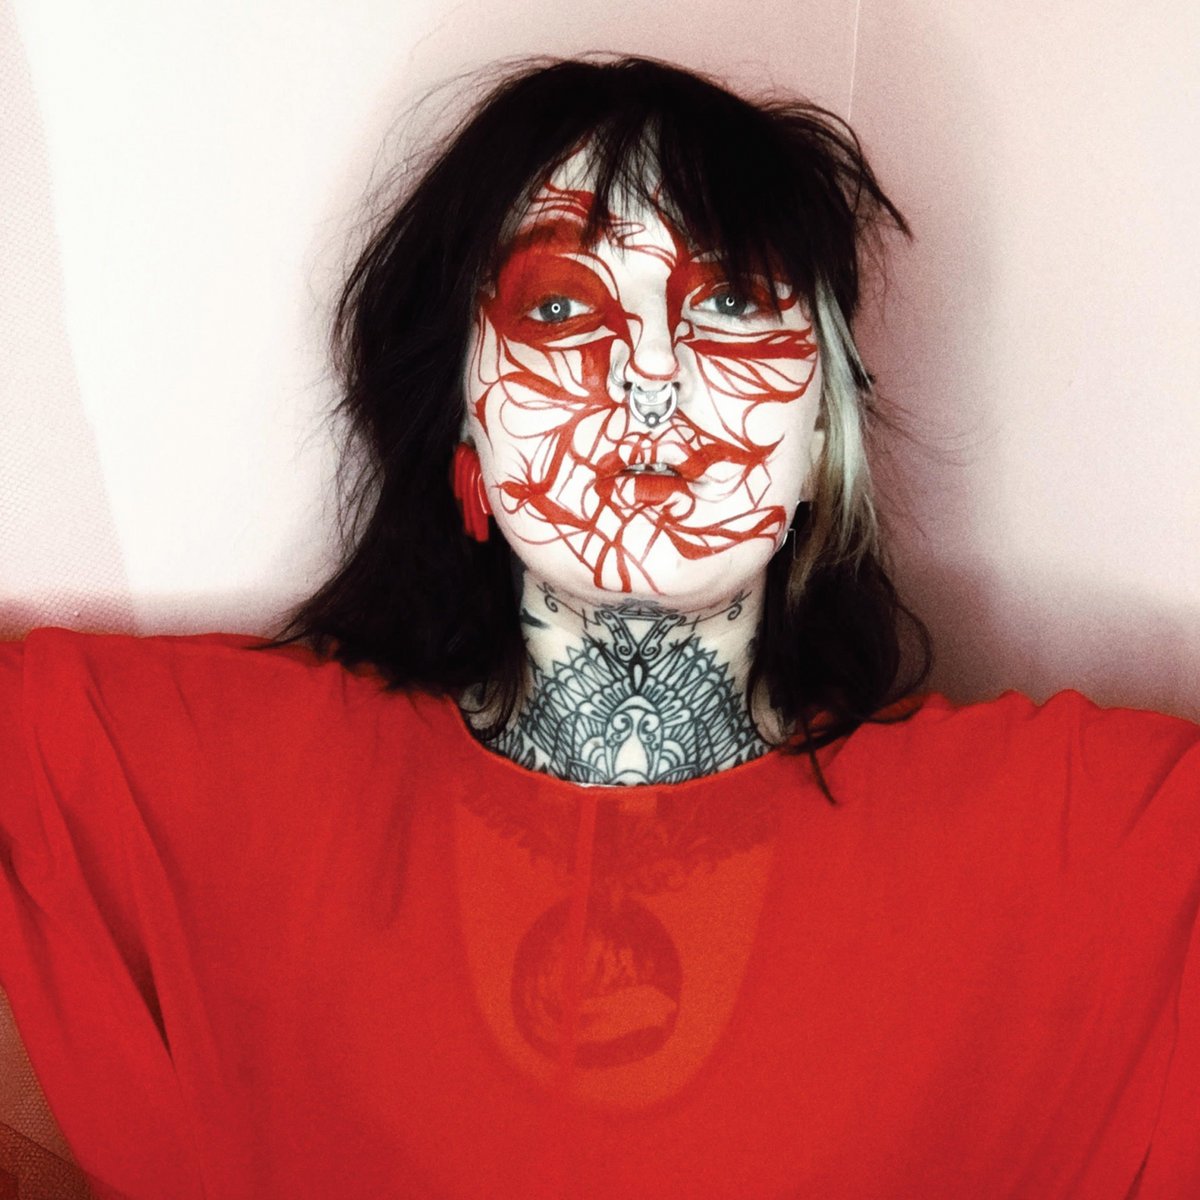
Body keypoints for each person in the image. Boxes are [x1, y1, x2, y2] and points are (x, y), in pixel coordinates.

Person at [0, 55, 1197, 1200]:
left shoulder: (1076, 846)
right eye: (562, 303)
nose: (653, 372)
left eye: (732, 298)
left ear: (827, 429)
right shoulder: (221, 784)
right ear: (461, 427)